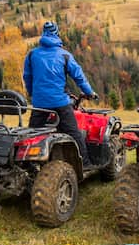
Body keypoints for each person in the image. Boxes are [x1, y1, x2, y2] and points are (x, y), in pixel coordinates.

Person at [23, 21, 98, 165]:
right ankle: (85, 164)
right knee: (74, 133)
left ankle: (28, 166)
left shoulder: (32, 54)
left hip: (39, 104)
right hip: (60, 103)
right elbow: (79, 77)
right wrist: (90, 92)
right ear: (57, 34)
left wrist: (34, 94)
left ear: (43, 34)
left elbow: (27, 77)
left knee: (32, 135)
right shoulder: (64, 55)